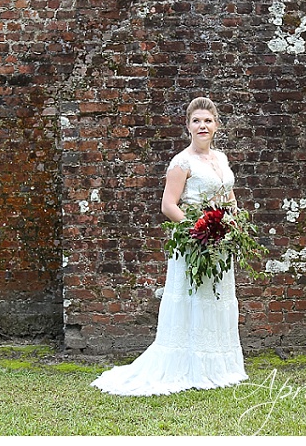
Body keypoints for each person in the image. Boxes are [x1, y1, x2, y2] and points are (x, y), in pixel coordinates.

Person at [91, 96, 248, 396]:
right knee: (194, 302)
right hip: (194, 242)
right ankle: (190, 365)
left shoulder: (222, 159)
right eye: (196, 121)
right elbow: (168, 205)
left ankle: (220, 366)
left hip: (221, 243)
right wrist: (200, 229)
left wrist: (234, 225)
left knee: (217, 300)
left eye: (208, 120)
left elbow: (229, 196)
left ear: (216, 126)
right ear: (188, 126)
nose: (202, 126)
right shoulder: (181, 162)